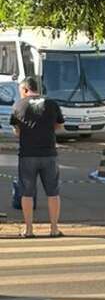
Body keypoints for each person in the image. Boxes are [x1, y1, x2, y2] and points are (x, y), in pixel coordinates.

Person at [10, 76, 65, 238]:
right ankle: (54, 229)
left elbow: (17, 130)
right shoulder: (51, 103)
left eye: (21, 91)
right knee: (53, 193)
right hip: (49, 155)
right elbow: (60, 126)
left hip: (27, 155)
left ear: (26, 90)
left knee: (27, 193)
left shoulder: (19, 105)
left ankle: (29, 230)